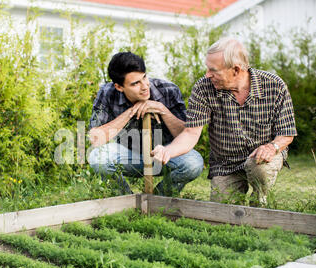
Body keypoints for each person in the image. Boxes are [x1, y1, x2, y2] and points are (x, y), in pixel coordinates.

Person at [151, 38, 297, 206]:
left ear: (235, 70)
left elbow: (286, 133)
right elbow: (191, 133)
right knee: (223, 210)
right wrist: (168, 151)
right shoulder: (203, 88)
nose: (207, 74)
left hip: (261, 158)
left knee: (259, 169)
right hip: (225, 163)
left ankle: (260, 202)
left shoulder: (274, 85)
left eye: (213, 70)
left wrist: (272, 147)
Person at [87, 52, 204, 196]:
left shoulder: (168, 89)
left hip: (164, 155)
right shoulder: (107, 92)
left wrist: (162, 109)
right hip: (129, 156)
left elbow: (186, 136)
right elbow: (95, 139)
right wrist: (131, 112)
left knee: (194, 163)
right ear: (119, 87)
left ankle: (158, 200)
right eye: (135, 83)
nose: (144, 86)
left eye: (144, 77)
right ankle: (127, 202)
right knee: (98, 158)